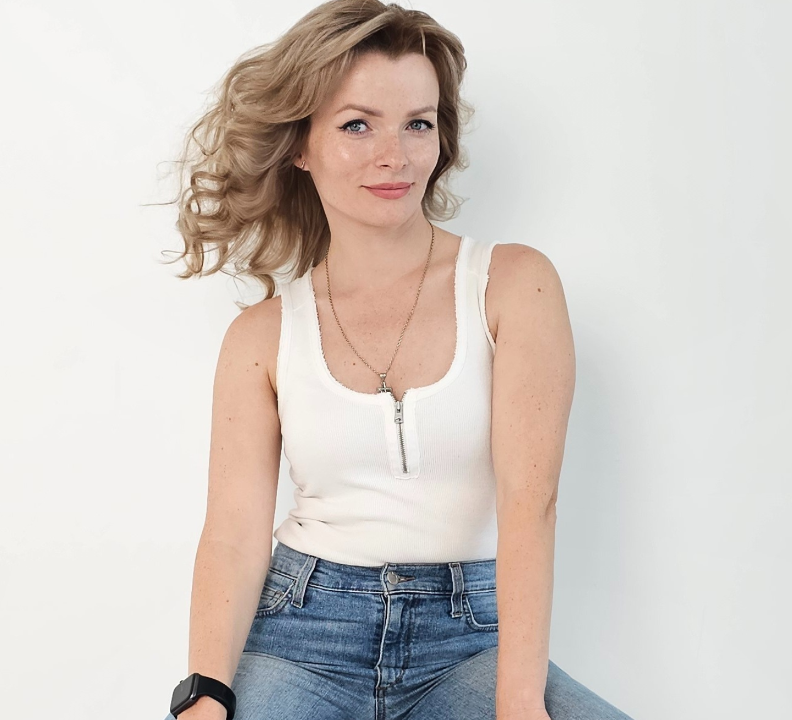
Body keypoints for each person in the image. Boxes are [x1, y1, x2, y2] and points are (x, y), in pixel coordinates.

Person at [158, 1, 633, 718]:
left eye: (419, 123)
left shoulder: (512, 284)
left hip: (470, 640)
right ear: (300, 144)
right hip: (302, 635)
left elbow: (530, 503)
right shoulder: (261, 337)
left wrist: (518, 700)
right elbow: (232, 534)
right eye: (358, 125)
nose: (396, 155)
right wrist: (206, 695)